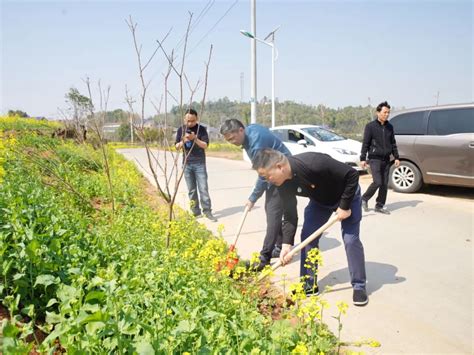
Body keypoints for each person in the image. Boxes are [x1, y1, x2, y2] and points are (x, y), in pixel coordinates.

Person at [252, 148, 368, 306]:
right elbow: (290, 214)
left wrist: (344, 206)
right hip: (319, 202)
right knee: (307, 237)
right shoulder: (282, 183)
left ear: (280, 167)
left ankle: (359, 285)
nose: (268, 180)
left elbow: (352, 175)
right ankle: (308, 285)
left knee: (350, 240)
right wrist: (287, 245)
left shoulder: (314, 162)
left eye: (268, 176)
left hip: (347, 196)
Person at [220, 119, 290, 270]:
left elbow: (262, 175)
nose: (231, 142)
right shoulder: (249, 132)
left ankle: (264, 258)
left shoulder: (256, 143)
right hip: (273, 170)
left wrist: (252, 198)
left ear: (240, 130)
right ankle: (278, 246)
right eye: (228, 140)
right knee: (272, 211)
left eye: (232, 138)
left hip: (281, 173)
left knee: (273, 212)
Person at [175, 108, 217, 222]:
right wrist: (183, 140)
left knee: (203, 188)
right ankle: (195, 212)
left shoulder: (201, 129)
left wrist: (195, 139)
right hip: (187, 164)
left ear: (196, 119)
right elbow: (176, 146)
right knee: (191, 190)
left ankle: (207, 211)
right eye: (187, 120)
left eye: (192, 121)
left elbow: (205, 145)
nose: (189, 123)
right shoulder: (181, 129)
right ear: (184, 119)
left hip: (199, 163)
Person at [360, 101, 400, 214]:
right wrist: (363, 158)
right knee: (377, 182)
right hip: (374, 158)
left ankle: (379, 205)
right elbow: (365, 143)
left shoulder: (390, 127)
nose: (386, 114)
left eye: (388, 112)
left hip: (386, 159)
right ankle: (364, 198)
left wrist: (396, 157)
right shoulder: (370, 127)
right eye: (384, 112)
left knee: (384, 183)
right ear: (378, 112)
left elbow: (393, 143)